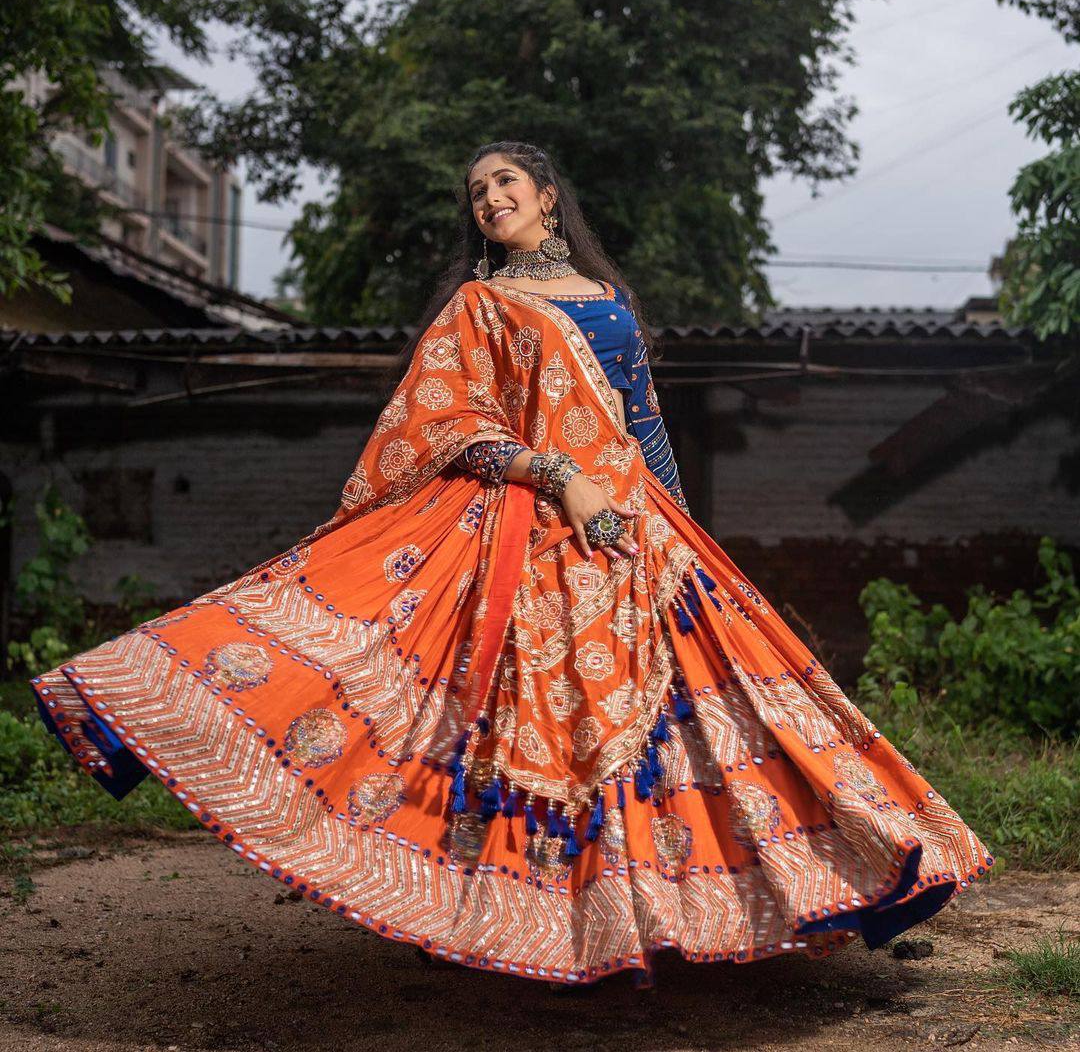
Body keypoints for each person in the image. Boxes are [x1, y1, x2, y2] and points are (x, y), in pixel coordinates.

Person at [31, 140, 994, 991]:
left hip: (638, 541)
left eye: (504, 183)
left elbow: (644, 424)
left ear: (545, 195)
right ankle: (502, 916)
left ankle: (672, 914)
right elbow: (443, 425)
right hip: (525, 537)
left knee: (696, 721)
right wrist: (556, 476)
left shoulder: (611, 302)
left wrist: (684, 533)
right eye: (475, 191)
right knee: (520, 717)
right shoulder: (481, 304)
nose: (489, 199)